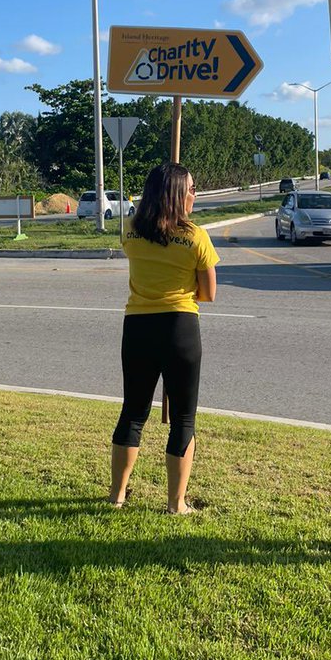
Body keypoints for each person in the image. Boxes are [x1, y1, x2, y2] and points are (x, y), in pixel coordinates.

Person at [109, 162, 219, 513]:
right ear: (175, 195)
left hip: (138, 326)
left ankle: (117, 495)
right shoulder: (196, 237)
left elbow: (149, 238)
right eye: (190, 189)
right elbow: (209, 293)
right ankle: (177, 503)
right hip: (180, 328)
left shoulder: (129, 230)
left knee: (133, 412)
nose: (194, 195)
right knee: (184, 418)